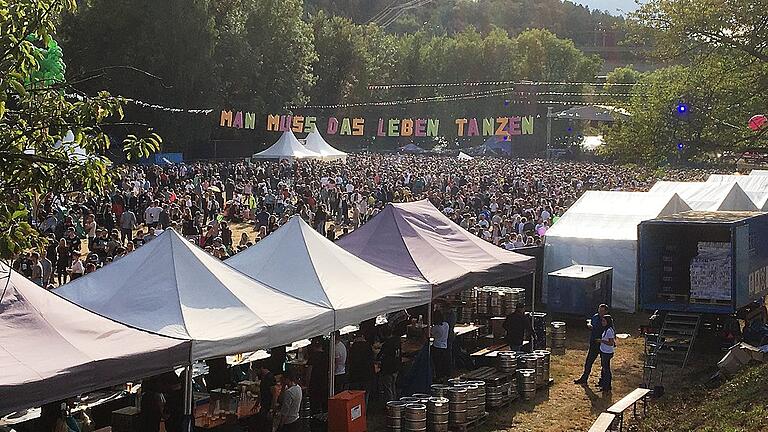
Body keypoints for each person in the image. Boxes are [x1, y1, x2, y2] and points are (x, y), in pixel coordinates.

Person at [575, 304, 609, 385]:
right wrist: (589, 324)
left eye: (602, 311)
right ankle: (584, 378)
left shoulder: (607, 320)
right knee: (589, 362)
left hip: (603, 344)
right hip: (594, 343)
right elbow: (591, 322)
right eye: (599, 310)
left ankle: (603, 381)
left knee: (604, 364)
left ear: (606, 311)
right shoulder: (595, 316)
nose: (600, 312)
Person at [347, 331, 375, 407]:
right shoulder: (368, 346)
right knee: (365, 395)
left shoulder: (353, 347)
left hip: (355, 375)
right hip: (367, 375)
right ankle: (364, 411)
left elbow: (350, 361)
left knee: (356, 396)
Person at [378, 326, 401, 402]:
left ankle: (390, 404)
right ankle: (395, 401)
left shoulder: (387, 344)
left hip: (388, 368)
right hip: (396, 367)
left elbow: (380, 355)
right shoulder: (397, 340)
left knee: (388, 388)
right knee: (393, 386)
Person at [431, 310, 450, 382]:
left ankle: (438, 377)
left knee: (437, 363)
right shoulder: (446, 325)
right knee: (442, 363)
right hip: (444, 346)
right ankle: (442, 376)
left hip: (437, 346)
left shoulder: (436, 327)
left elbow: (431, 334)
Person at [598, 315, 616, 391]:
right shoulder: (606, 329)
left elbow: (611, 343)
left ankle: (607, 386)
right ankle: (604, 384)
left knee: (606, 369)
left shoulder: (609, 330)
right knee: (604, 368)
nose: (602, 322)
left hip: (607, 352)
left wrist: (601, 341)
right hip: (604, 351)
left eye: (604, 321)